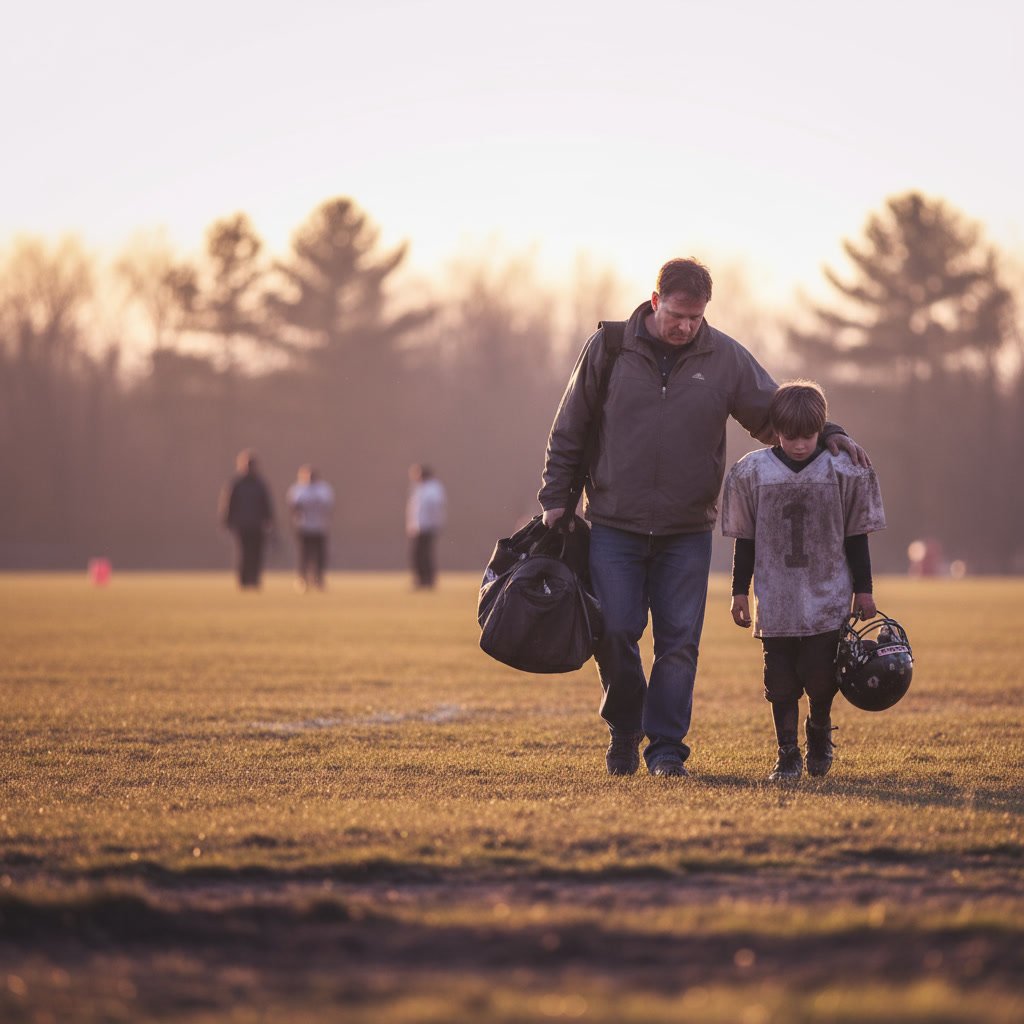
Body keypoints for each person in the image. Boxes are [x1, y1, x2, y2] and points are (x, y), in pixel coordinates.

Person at [538, 258, 869, 778]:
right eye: (676, 314)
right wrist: (555, 500)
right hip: (613, 524)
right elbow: (570, 428)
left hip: (686, 530)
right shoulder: (608, 349)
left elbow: (776, 415)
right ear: (655, 301)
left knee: (678, 645)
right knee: (617, 632)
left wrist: (829, 432)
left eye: (695, 317)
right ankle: (625, 729)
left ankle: (666, 751)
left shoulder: (726, 359)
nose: (685, 326)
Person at [721, 380, 886, 780]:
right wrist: (738, 590)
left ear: (821, 428)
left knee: (821, 677)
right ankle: (787, 753)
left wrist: (864, 590)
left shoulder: (843, 469)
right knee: (779, 683)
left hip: (826, 594)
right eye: (790, 436)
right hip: (775, 598)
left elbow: (855, 535)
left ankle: (818, 731)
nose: (799, 444)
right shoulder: (752, 472)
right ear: (776, 428)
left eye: (808, 436)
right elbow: (746, 539)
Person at [220, 450, 274, 589]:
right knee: (243, 553)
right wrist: (226, 520)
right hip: (242, 524)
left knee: (256, 553)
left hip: (257, 524)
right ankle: (244, 580)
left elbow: (266, 503)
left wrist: (269, 520)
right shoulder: (236, 484)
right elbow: (228, 503)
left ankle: (254, 580)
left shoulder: (260, 484)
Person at [287, 465, 335, 591]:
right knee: (303, 555)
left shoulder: (323, 489)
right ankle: (302, 579)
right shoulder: (298, 490)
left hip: (319, 527)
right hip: (304, 527)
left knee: (320, 555)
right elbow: (293, 507)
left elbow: (328, 507)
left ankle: (318, 579)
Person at [406, 464, 447, 589]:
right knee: (418, 554)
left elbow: (435, 507)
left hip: (428, 527)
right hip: (419, 527)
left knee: (425, 554)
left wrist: (435, 523)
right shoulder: (421, 488)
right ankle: (421, 579)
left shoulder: (432, 488)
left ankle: (427, 580)